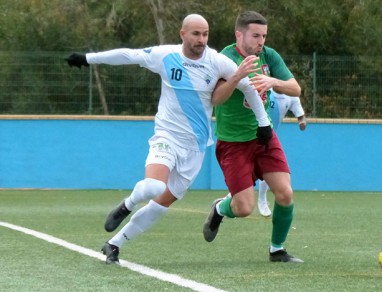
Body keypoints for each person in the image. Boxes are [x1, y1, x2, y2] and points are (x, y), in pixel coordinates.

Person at [65, 14, 273, 264]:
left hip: (195, 147)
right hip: (167, 136)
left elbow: (249, 88)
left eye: (205, 34)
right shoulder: (166, 56)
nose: (201, 40)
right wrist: (88, 59)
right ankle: (127, 205)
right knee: (153, 186)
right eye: (196, 34)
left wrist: (264, 123)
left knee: (162, 203)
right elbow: (129, 55)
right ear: (182, 34)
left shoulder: (217, 61)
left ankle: (114, 244)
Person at [202, 11, 304, 263]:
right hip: (234, 143)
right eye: (256, 36)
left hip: (264, 137)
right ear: (239, 34)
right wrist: (237, 77)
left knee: (285, 194)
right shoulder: (223, 59)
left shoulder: (268, 56)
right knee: (244, 208)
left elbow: (295, 88)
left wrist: (272, 81)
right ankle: (219, 208)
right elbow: (216, 99)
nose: (261, 41)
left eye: (264, 36)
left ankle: (277, 249)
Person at [257, 89, 307, 217]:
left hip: (269, 135)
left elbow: (300, 114)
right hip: (251, 131)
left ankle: (262, 199)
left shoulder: (291, 95)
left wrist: (302, 121)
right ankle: (232, 197)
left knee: (269, 167)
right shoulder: (265, 89)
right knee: (247, 166)